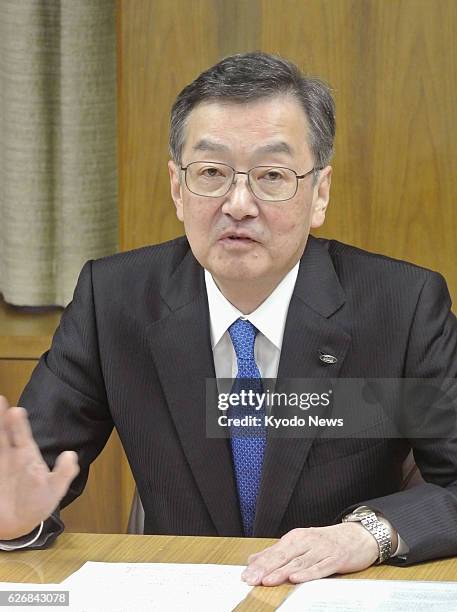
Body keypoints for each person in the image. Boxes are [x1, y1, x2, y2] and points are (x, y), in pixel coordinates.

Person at [1, 52, 457, 587]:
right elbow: (27, 476)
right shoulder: (116, 300)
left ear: (320, 193)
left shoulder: (400, 306)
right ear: (177, 187)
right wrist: (14, 522)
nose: (238, 203)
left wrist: (367, 534)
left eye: (272, 175)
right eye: (212, 173)